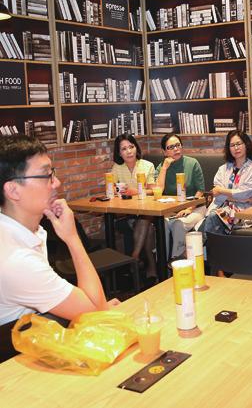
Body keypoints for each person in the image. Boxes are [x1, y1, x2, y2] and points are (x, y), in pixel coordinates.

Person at [0, 135, 111, 327]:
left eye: (53, 173)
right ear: (13, 191)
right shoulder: (17, 260)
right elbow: (96, 314)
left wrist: (93, 305)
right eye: (46, 176)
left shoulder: (23, 231)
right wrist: (72, 238)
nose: (56, 183)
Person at [198, 130, 252, 238]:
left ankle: (203, 251)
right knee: (213, 217)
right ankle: (208, 251)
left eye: (239, 144)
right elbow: (216, 194)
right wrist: (242, 198)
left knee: (213, 218)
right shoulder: (222, 169)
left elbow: (243, 193)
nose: (236, 148)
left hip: (243, 213)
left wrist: (223, 192)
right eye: (232, 145)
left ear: (246, 145)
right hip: (221, 208)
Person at [111, 133, 157, 281]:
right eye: (124, 149)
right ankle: (152, 268)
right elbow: (112, 189)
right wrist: (115, 190)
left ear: (136, 148)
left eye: (131, 147)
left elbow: (153, 190)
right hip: (126, 214)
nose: (129, 151)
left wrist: (136, 192)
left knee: (145, 220)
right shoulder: (117, 168)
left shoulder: (147, 166)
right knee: (148, 228)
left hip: (146, 211)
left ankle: (134, 257)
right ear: (119, 153)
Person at [155, 133, 205, 259]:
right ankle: (162, 263)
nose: (176, 149)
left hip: (195, 208)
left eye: (178, 145)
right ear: (164, 152)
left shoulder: (192, 163)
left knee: (178, 224)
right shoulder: (162, 167)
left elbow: (200, 191)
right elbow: (158, 190)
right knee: (163, 224)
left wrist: (188, 209)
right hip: (170, 210)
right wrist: (165, 168)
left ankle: (177, 260)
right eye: (171, 147)